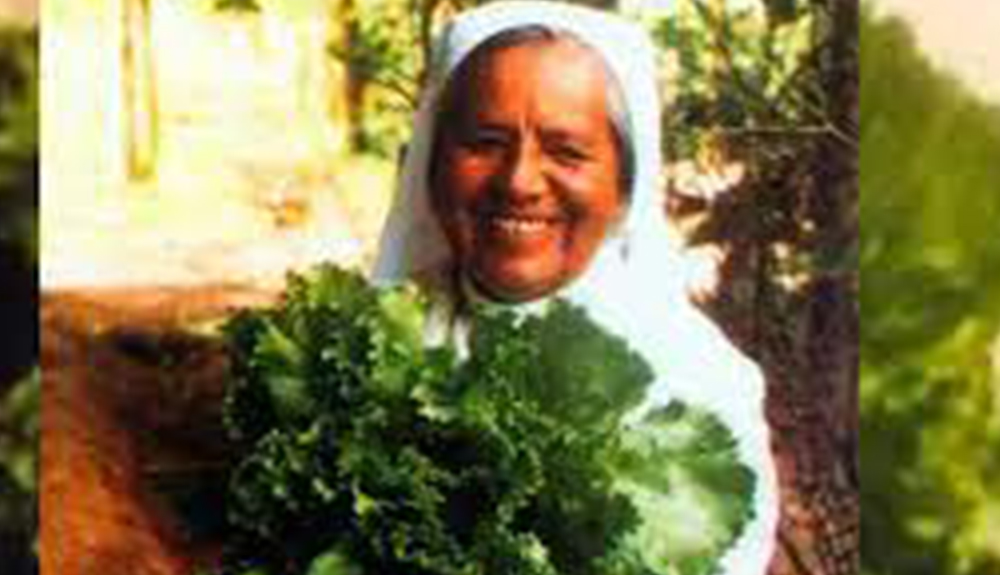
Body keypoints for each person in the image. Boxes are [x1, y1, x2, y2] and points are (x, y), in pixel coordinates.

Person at [371, 2, 779, 574]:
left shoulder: (700, 384)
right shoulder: (372, 341)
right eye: (485, 142)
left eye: (566, 151)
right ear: (432, 165)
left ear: (623, 187)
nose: (518, 181)